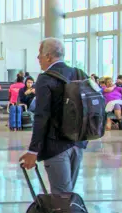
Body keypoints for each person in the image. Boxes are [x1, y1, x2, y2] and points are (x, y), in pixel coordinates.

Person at [19, 39, 87, 193]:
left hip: (56, 145)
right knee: (67, 195)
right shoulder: (79, 73)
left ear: (48, 57)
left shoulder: (45, 78)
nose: (38, 59)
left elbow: (42, 116)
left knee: (61, 197)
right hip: (78, 143)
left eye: (39, 55)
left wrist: (33, 151)